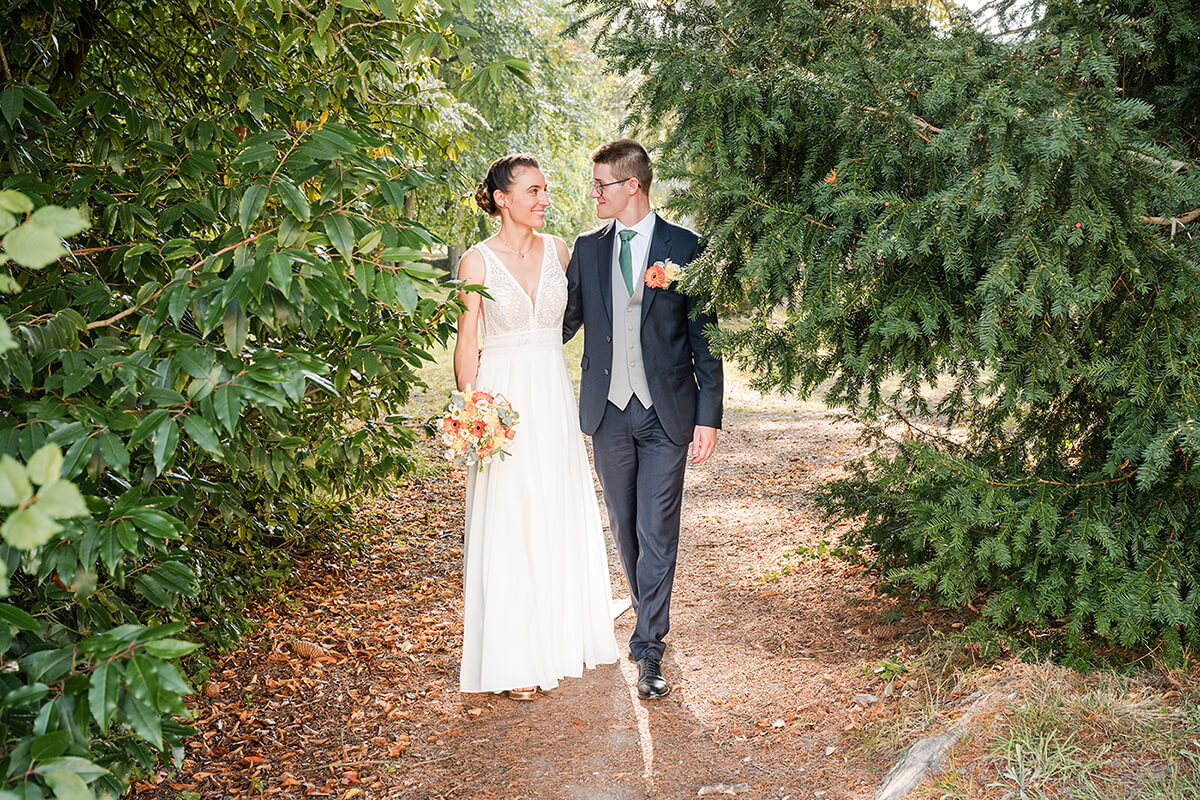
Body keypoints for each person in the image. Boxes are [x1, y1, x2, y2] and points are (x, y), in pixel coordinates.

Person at [563, 139, 723, 700]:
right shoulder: (586, 249)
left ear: (632, 185)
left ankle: (649, 647)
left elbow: (707, 339)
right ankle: (644, 612)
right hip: (607, 412)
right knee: (624, 527)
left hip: (666, 414)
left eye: (601, 183)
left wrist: (710, 417)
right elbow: (568, 320)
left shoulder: (686, 247)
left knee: (657, 530)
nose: (594, 193)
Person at [454, 154, 618, 699]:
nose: (544, 199)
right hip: (501, 398)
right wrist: (473, 411)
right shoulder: (476, 263)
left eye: (545, 190)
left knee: (552, 506)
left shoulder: (561, 251)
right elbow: (466, 343)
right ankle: (514, 657)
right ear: (502, 198)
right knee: (509, 515)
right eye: (533, 191)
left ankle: (561, 635)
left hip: (550, 395)